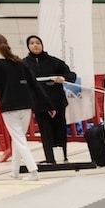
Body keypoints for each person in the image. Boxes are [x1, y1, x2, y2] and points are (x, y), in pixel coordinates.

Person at [0, 34, 54, 181]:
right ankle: (15, 170)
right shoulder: (21, 64)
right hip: (26, 106)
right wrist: (48, 104)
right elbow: (35, 85)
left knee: (19, 139)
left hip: (9, 107)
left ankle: (33, 171)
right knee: (18, 138)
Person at [22, 35, 77, 164]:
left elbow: (71, 75)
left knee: (60, 130)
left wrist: (63, 78)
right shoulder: (24, 64)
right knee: (46, 132)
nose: (35, 45)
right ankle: (50, 159)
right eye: (32, 43)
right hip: (39, 104)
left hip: (57, 102)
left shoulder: (54, 62)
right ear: (28, 46)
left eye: (38, 42)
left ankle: (62, 157)